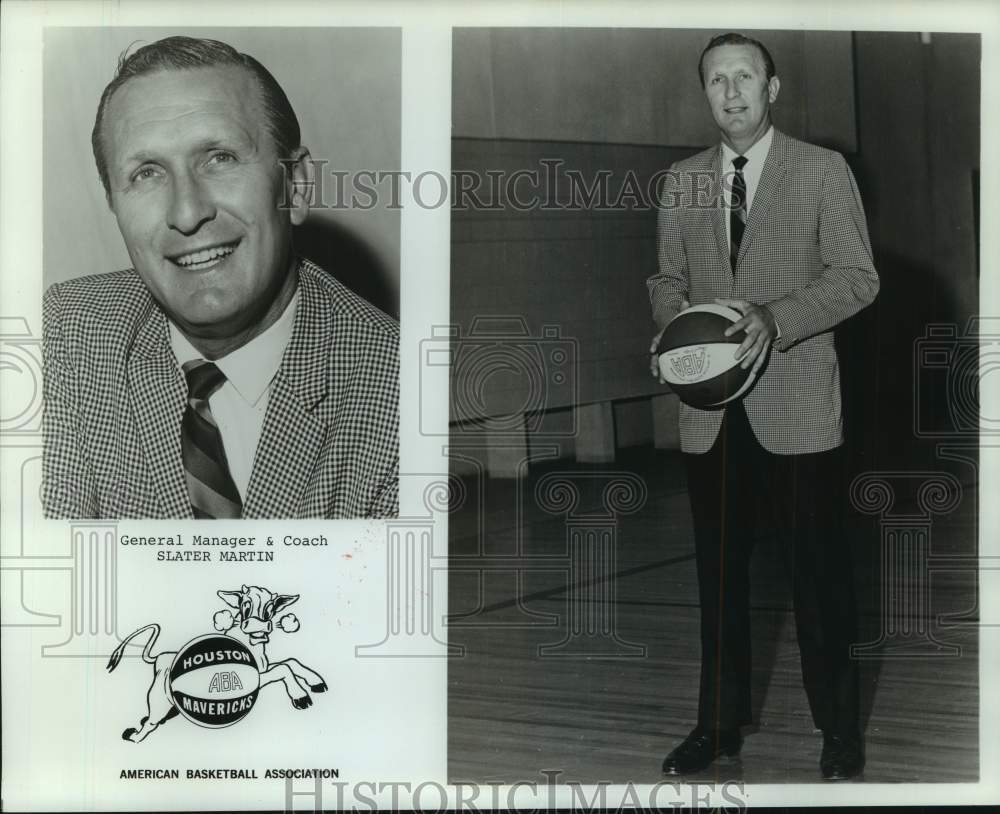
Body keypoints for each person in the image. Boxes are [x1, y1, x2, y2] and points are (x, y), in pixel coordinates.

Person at [647, 33, 879, 780]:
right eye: (717, 80)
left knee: (820, 580)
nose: (731, 91)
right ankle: (717, 728)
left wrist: (777, 317)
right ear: (706, 94)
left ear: (772, 89)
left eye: (745, 76)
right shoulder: (680, 181)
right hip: (712, 418)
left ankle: (839, 731)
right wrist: (674, 322)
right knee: (720, 584)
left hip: (798, 412)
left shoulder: (822, 170)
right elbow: (665, 280)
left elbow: (857, 279)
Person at [43, 36, 399, 519]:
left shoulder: (398, 387)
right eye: (147, 173)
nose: (187, 213)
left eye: (219, 158)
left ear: (294, 186)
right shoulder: (66, 337)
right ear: (114, 204)